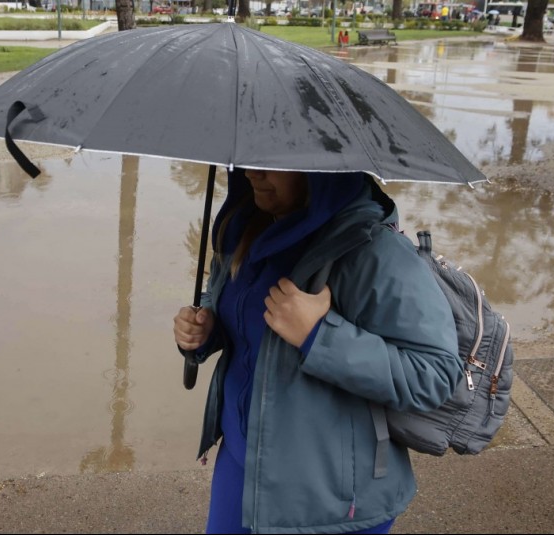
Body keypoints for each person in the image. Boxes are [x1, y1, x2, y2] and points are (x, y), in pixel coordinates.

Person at [172, 168, 463, 534]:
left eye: (272, 160)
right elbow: (231, 305)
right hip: (242, 463)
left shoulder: (374, 250)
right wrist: (206, 326)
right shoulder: (244, 226)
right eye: (250, 158)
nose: (254, 172)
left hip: (333, 499)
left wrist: (319, 335)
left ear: (320, 169)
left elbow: (434, 375)